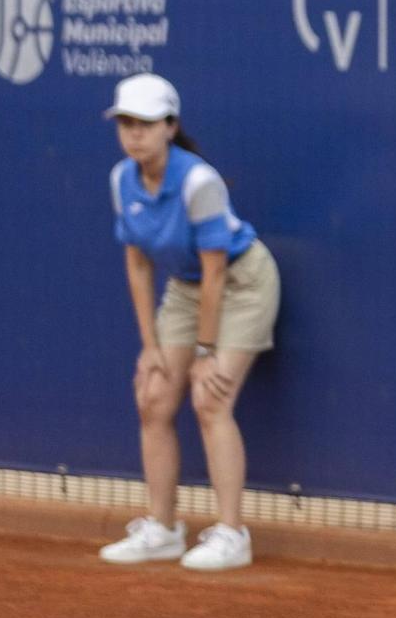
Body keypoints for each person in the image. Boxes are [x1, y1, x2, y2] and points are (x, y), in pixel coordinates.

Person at [97, 73, 280, 572]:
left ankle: (231, 533)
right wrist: (150, 345)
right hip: (185, 289)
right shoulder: (121, 180)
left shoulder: (199, 182)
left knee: (210, 398)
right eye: (126, 123)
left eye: (146, 123)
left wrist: (203, 353)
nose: (134, 133)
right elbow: (137, 264)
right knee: (154, 396)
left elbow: (217, 272)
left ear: (170, 127)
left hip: (241, 285)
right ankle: (162, 528)